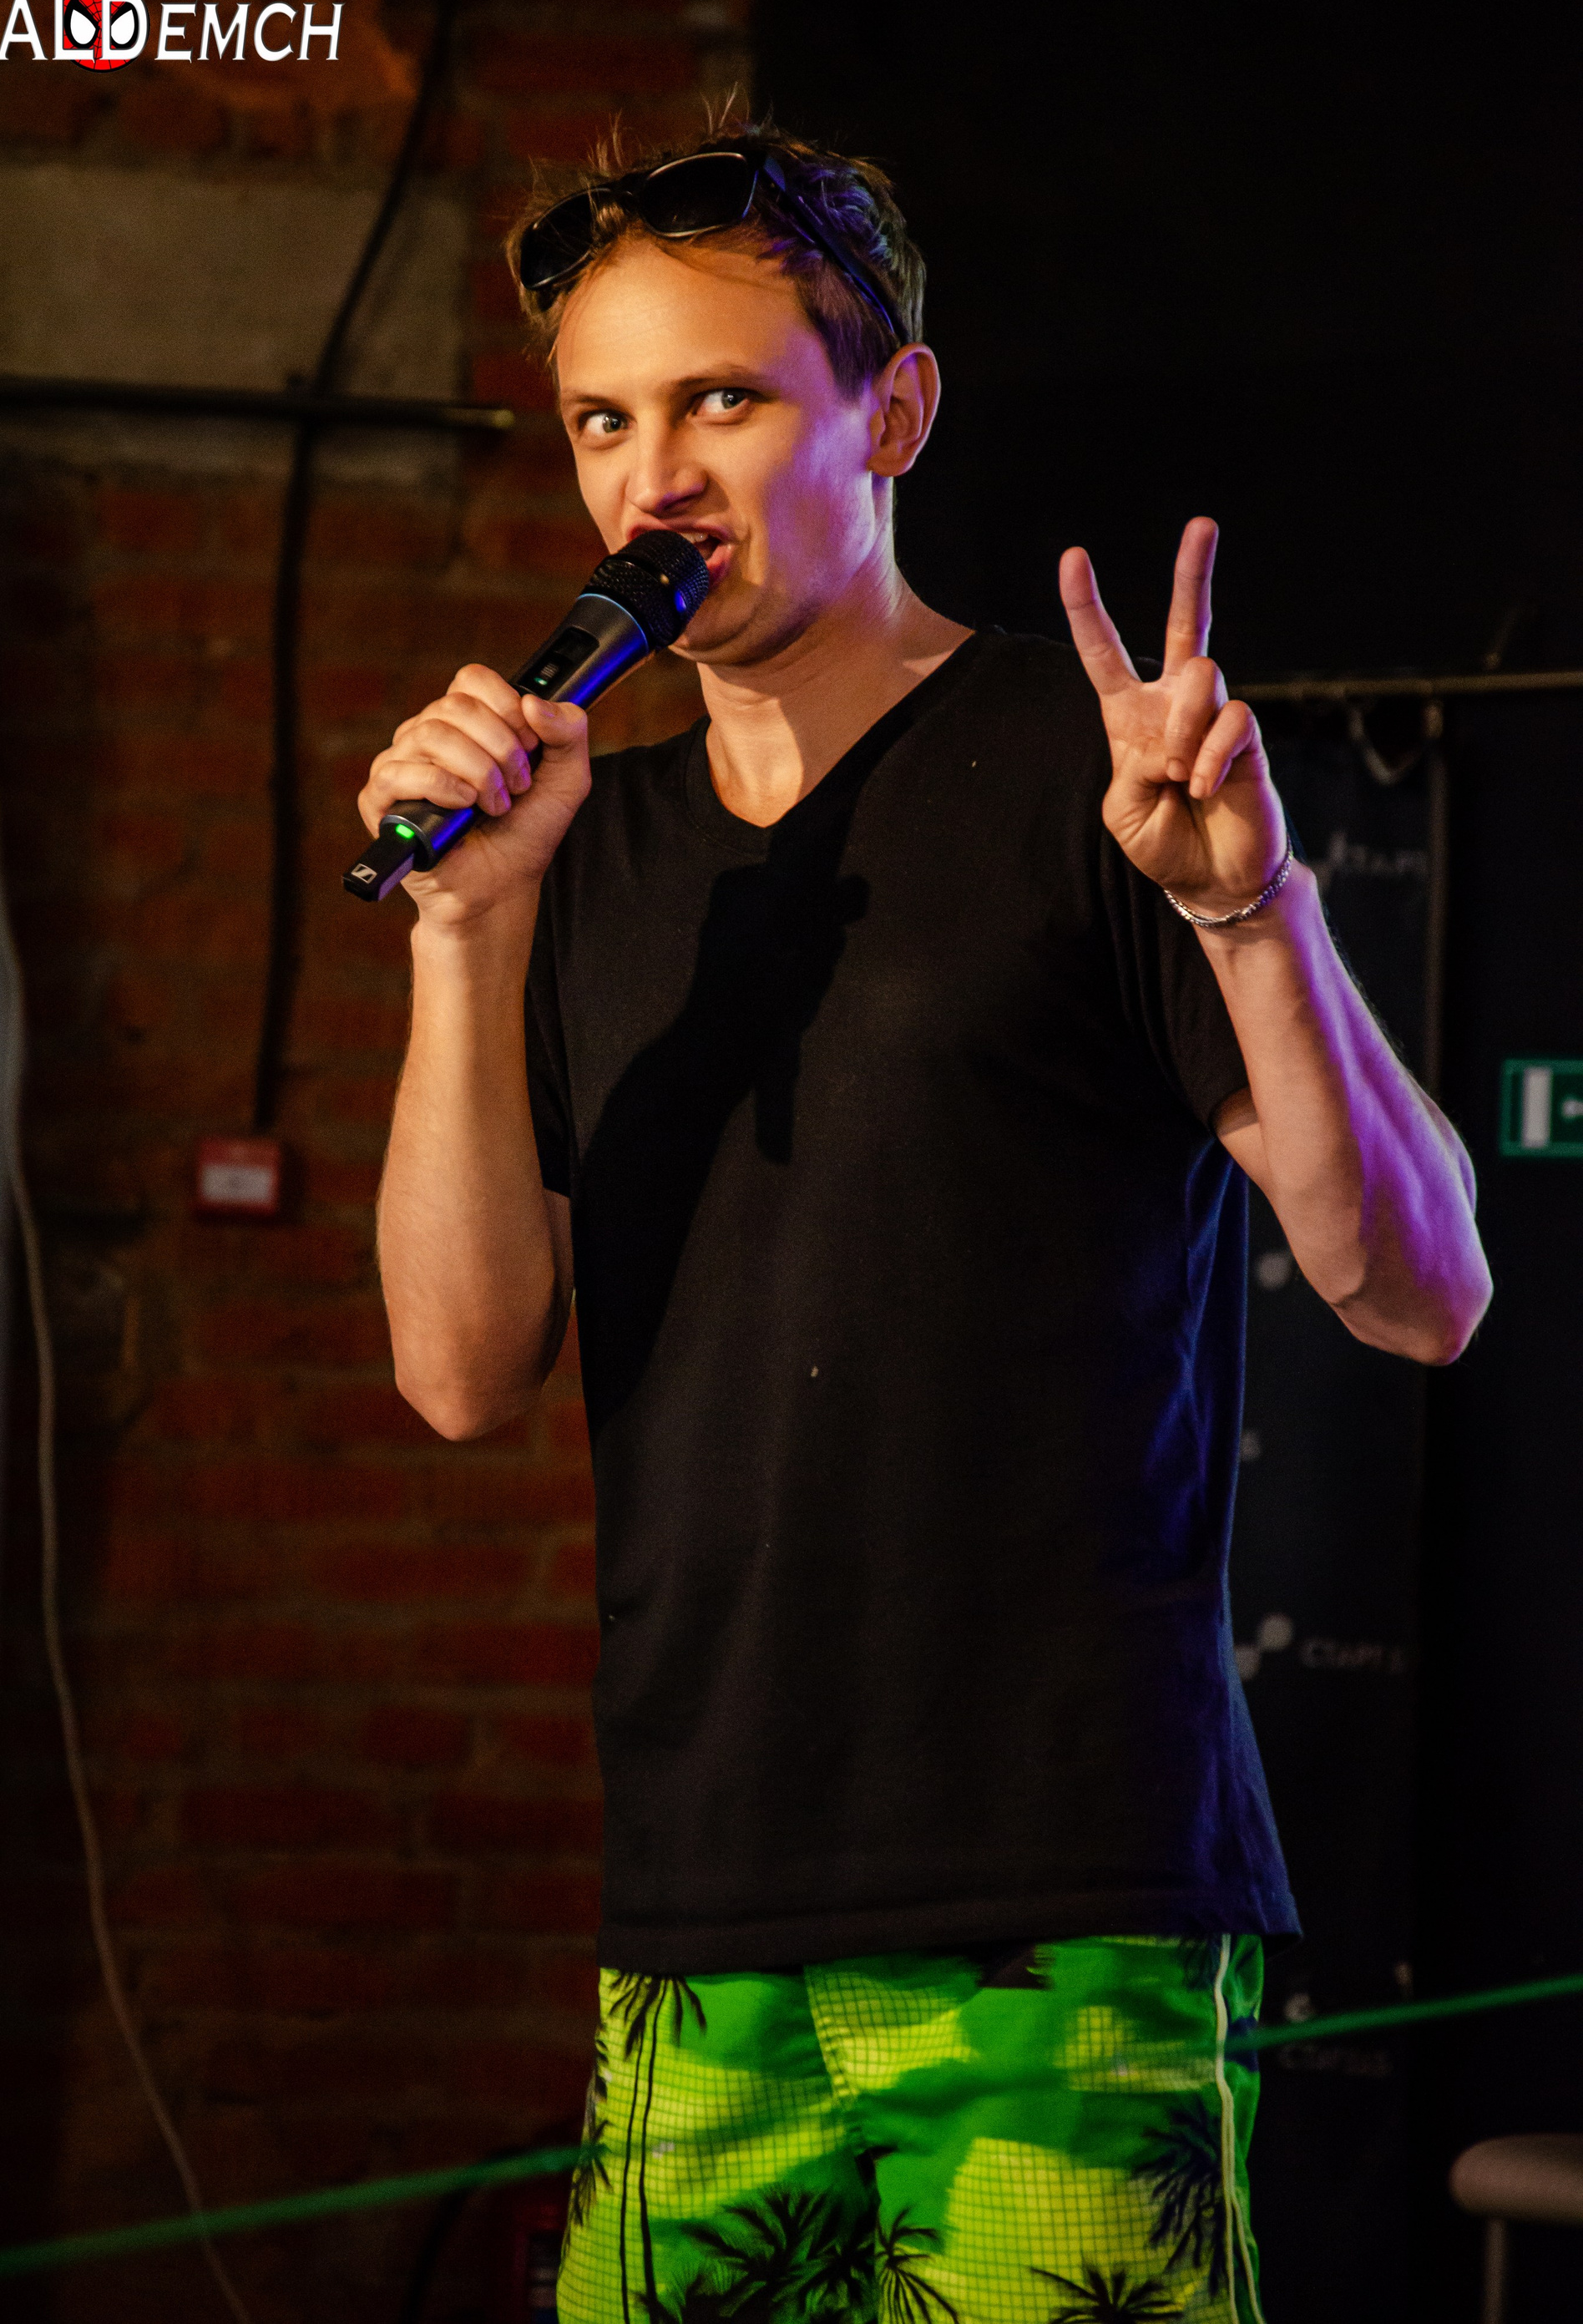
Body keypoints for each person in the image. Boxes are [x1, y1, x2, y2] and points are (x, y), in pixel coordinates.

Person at [360, 125, 1490, 2324]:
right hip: (702, 1904)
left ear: (893, 410)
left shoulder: (1095, 779)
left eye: (723, 398)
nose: (652, 479)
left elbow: (1421, 1287)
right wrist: (461, 936)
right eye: (602, 420)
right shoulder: (578, 855)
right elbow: (456, 1372)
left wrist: (1250, 907)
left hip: (1056, 1903)